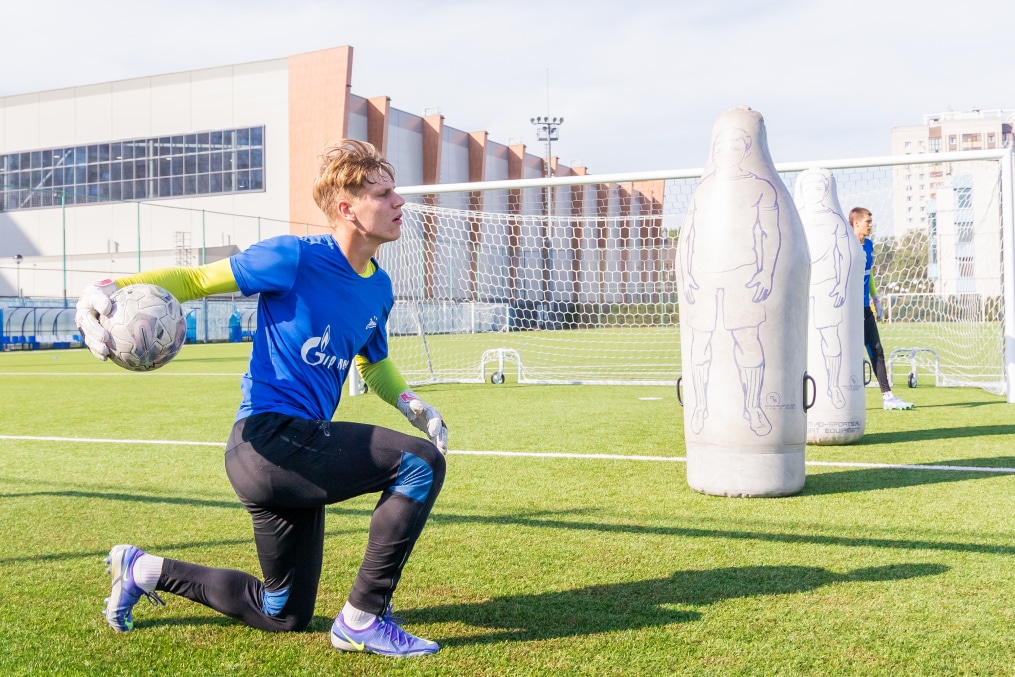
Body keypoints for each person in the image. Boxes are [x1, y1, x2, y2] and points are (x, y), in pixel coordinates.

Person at [75, 140, 449, 658]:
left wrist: (410, 401)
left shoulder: (379, 287)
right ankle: (363, 619)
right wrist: (109, 285)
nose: (399, 203)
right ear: (347, 208)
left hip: (295, 455)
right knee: (419, 465)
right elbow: (193, 279)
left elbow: (372, 361)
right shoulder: (292, 257)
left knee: (283, 613)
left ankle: (142, 568)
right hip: (268, 440)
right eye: (384, 194)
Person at [680, 126, 782, 436]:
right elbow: (688, 238)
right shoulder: (703, 189)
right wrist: (685, 275)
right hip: (704, 279)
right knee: (700, 343)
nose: (726, 154)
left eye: (734, 148)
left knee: (748, 340)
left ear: (745, 150)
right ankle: (700, 407)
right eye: (721, 149)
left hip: (743, 276)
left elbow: (772, 232)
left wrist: (766, 271)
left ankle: (753, 408)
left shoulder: (761, 187)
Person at [848, 207, 913, 411]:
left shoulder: (868, 245)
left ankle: (888, 396)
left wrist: (876, 299)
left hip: (864, 308)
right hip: (847, 311)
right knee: (846, 354)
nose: (871, 224)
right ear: (856, 223)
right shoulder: (845, 244)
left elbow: (870, 274)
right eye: (867, 221)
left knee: (876, 349)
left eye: (871, 220)